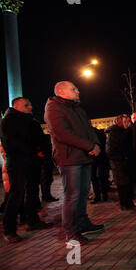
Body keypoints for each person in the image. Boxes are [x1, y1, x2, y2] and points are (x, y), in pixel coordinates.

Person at [44, 81, 104, 245]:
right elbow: (63, 134)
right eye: (73, 89)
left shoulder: (76, 107)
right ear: (61, 92)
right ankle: (70, 233)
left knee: (83, 193)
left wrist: (95, 144)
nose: (78, 91)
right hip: (69, 159)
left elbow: (89, 129)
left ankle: (83, 223)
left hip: (84, 156)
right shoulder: (53, 108)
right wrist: (89, 146)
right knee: (72, 196)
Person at [1, 97, 53, 243]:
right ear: (16, 106)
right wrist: (33, 151)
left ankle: (33, 221)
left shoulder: (31, 120)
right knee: (16, 194)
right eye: (26, 105)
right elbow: (12, 143)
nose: (30, 107)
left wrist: (42, 152)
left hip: (32, 161)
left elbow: (40, 139)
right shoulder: (8, 121)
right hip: (18, 162)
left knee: (33, 191)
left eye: (30, 104)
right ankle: (9, 230)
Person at [106, 114, 135, 210]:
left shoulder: (126, 131)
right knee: (122, 185)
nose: (128, 123)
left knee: (128, 184)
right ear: (120, 122)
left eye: (128, 121)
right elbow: (110, 151)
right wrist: (122, 157)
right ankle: (124, 204)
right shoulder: (113, 133)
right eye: (125, 121)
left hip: (127, 162)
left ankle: (129, 202)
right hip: (118, 163)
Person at [90, 126, 110, 204]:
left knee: (94, 178)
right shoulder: (100, 132)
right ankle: (104, 195)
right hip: (102, 158)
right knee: (102, 177)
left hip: (93, 158)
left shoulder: (88, 134)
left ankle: (98, 196)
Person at [39, 134, 58, 202]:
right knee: (46, 179)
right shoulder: (42, 140)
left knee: (47, 179)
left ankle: (46, 196)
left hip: (46, 160)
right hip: (45, 160)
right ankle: (46, 196)